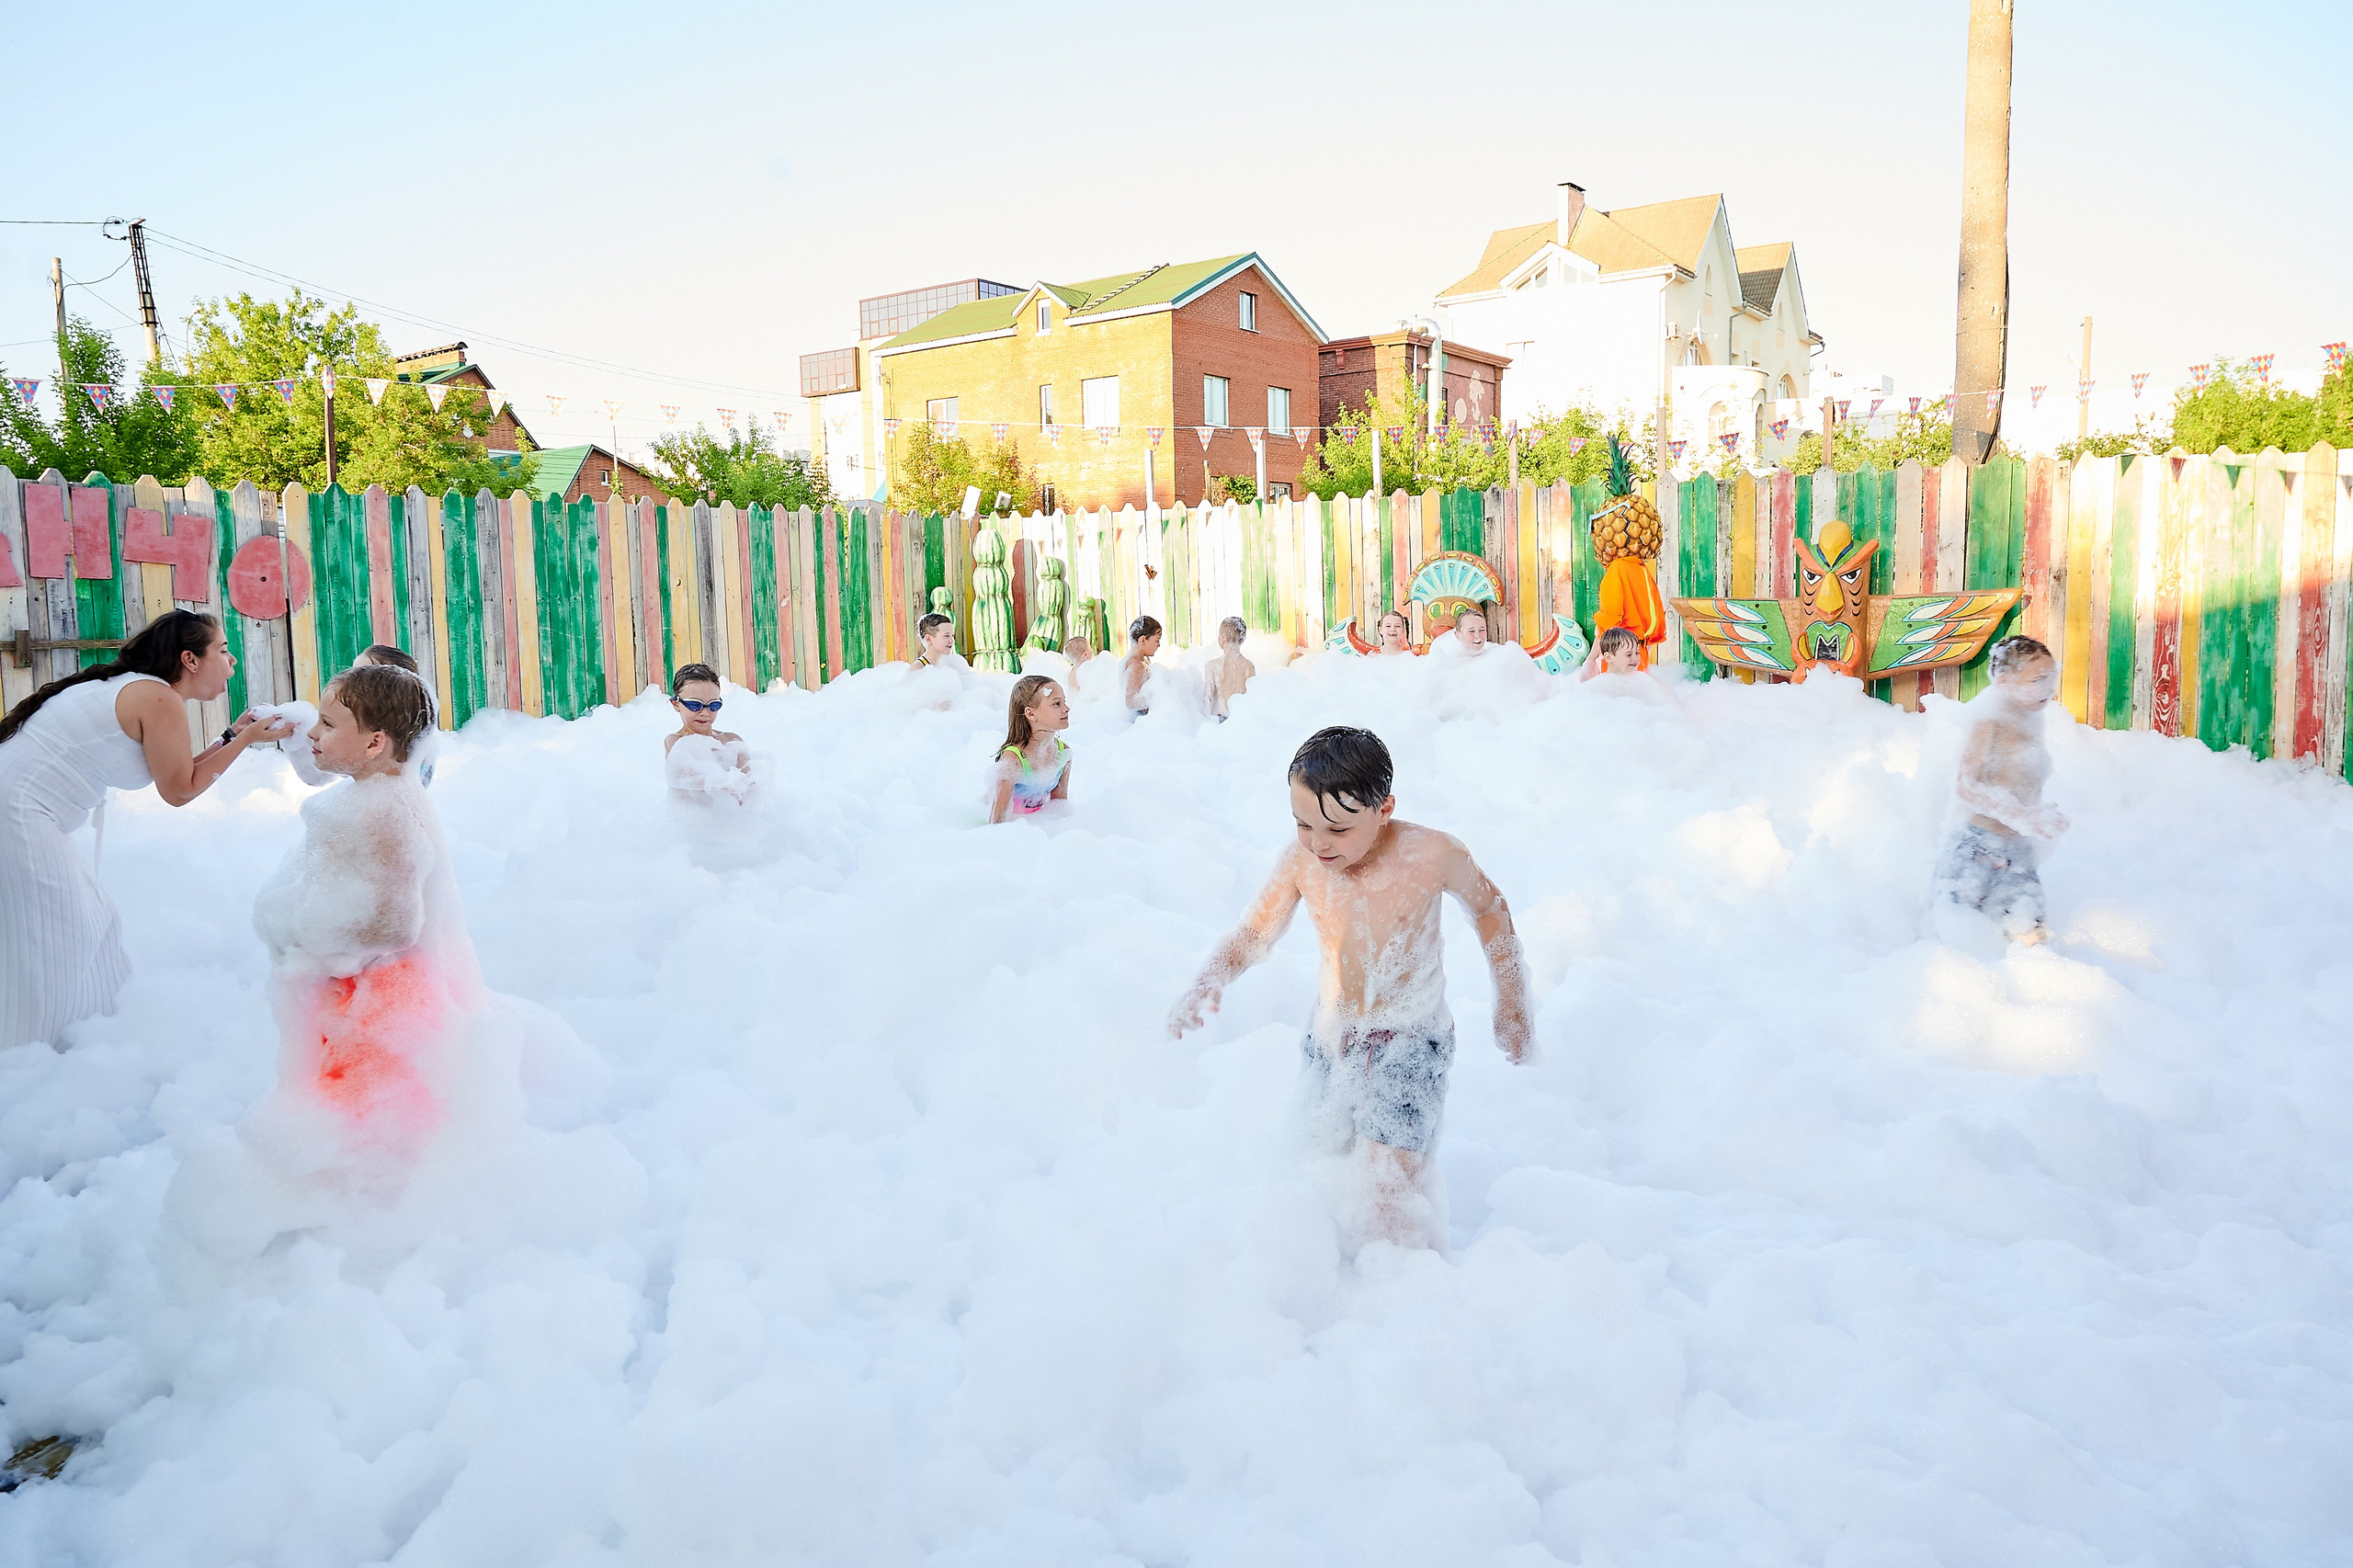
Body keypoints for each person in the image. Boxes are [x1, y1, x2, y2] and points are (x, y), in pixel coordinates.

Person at [1166, 726, 1532, 1248]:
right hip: (1332, 1038)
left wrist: (1512, 1000)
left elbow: (1492, 910)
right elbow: (1253, 933)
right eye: (1303, 824)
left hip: (1412, 1039)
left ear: (1383, 809)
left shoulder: (1431, 854)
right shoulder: (1302, 862)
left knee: (1387, 1196)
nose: (1318, 844)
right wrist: (1207, 980)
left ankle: (1404, 1287)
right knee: (1317, 1167)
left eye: (1337, 829)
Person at [0, 610, 292, 1051]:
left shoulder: (146, 692)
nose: (232, 663)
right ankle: (41, 1053)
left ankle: (81, 1046)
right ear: (190, 660)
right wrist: (247, 741)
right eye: (224, 651)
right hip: (17, 810)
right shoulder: (158, 699)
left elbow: (177, 772)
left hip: (22, 811)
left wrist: (233, 734)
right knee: (62, 933)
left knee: (93, 925)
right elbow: (179, 791)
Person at [248, 665, 479, 1171]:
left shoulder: (381, 813)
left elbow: (394, 925)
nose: (312, 731)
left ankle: (365, 1200)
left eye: (329, 724)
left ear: (375, 743)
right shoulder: (375, 799)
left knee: (362, 1115)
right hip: (373, 992)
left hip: (381, 1002)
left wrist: (306, 940)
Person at [1933, 635, 2067, 944]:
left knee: (2031, 937)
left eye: (2052, 676)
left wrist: (2039, 815)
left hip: (2016, 849)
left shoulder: (2029, 716)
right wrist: (2020, 815)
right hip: (1975, 848)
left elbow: (2014, 780)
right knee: (1956, 939)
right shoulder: (1989, 718)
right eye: (2038, 679)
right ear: (2004, 683)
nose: (2049, 687)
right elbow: (1965, 786)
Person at [275, 644, 440, 789]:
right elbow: (319, 775)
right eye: (354, 673)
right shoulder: (367, 732)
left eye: (365, 675)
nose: (351, 682)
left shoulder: (410, 747)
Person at [663, 664, 752, 803]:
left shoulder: (732, 740)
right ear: (676, 705)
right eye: (694, 704)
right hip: (691, 820)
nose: (705, 712)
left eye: (713, 705)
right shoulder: (676, 741)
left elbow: (751, 779)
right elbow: (687, 777)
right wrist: (721, 782)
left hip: (726, 820)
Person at [989, 674, 1071, 823]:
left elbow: (1059, 809)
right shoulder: (1013, 759)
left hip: (1034, 826)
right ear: (1031, 713)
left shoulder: (1063, 753)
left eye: (1064, 701)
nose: (1066, 708)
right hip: (1013, 827)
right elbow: (996, 822)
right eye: (1056, 703)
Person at [1579, 626, 1670, 704]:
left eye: (1637, 652)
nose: (1635, 658)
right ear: (1608, 658)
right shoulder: (1596, 687)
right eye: (1629, 654)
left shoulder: (1643, 681)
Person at [1206, 616, 1256, 721]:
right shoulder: (1249, 666)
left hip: (1221, 719)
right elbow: (1253, 697)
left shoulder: (1213, 665)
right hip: (1241, 719)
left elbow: (1208, 700)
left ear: (1222, 637)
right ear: (1242, 639)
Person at [1122, 616, 1163, 713]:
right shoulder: (1136, 666)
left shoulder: (1143, 660)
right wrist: (1157, 698)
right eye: (1157, 640)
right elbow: (1130, 702)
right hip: (1136, 721)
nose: (1159, 644)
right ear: (1143, 640)